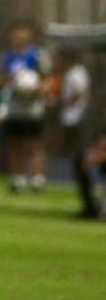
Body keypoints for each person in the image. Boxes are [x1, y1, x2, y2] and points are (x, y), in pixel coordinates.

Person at [0, 21, 50, 193]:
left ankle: (37, 178)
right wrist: (9, 84)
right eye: (16, 33)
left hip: (33, 107)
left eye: (23, 33)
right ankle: (17, 178)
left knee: (34, 144)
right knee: (15, 143)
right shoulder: (7, 57)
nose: (19, 36)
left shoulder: (38, 55)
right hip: (14, 106)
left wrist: (38, 89)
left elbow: (47, 79)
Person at [56, 48, 98, 218]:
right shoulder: (72, 73)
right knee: (78, 161)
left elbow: (80, 93)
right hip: (73, 119)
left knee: (82, 161)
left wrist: (67, 105)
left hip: (76, 120)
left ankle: (91, 206)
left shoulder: (77, 73)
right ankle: (88, 204)